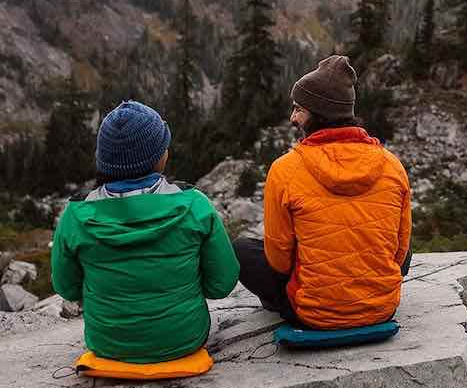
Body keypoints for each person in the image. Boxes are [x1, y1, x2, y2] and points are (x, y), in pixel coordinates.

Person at [51, 100, 239, 363]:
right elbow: (222, 284)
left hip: (108, 345)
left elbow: (67, 288)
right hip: (184, 339)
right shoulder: (194, 204)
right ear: (159, 157)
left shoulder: (75, 215)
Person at [234, 55, 412, 329]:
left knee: (243, 249)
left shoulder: (285, 169)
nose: (293, 117)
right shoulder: (392, 165)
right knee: (403, 245)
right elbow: (399, 255)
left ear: (318, 114)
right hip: (381, 309)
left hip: (312, 314)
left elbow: (280, 262)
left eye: (299, 109)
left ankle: (286, 305)